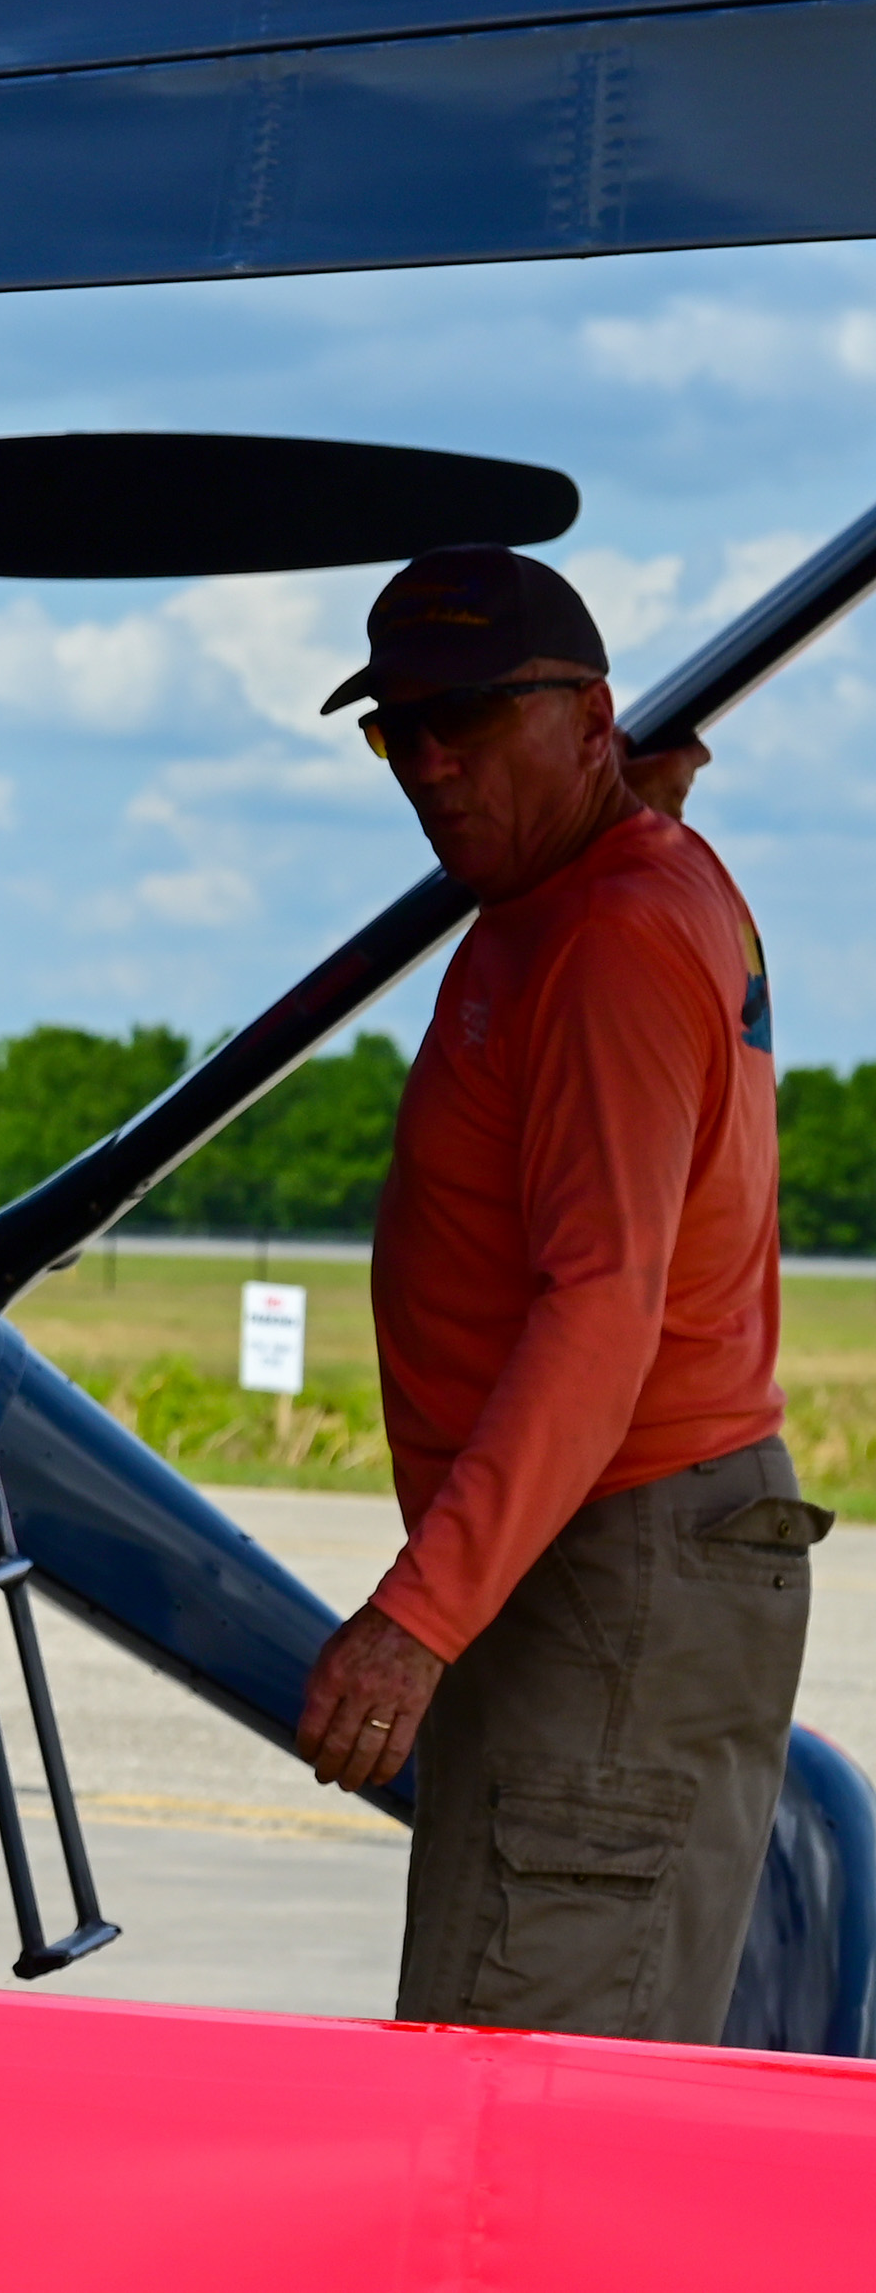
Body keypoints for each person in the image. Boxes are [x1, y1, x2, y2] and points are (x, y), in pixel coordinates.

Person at [294, 545, 824, 2042]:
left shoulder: (605, 939)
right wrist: (626, 806)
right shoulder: (600, 883)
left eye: (471, 716)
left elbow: (604, 1309)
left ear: (593, 718)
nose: (433, 765)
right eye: (399, 730)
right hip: (599, 1573)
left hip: (617, 1579)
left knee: (523, 2092)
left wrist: (417, 1619)